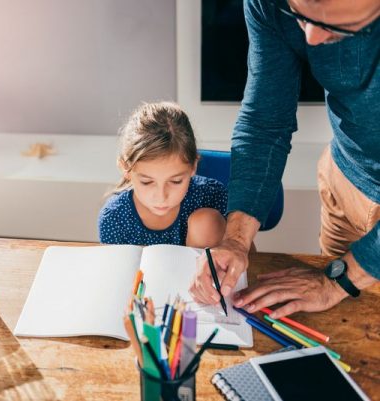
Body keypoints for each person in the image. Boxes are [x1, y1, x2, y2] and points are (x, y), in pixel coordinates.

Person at [190, 0, 380, 318]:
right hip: (342, 178)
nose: (311, 38)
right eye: (300, 14)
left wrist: (338, 283)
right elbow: (265, 122)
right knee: (336, 332)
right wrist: (235, 240)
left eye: (336, 28)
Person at [98, 101, 227, 248]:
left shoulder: (212, 195)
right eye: (147, 182)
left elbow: (247, 254)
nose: (161, 196)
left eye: (176, 181)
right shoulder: (114, 219)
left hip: (204, 270)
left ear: (193, 166)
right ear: (126, 169)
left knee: (206, 222)